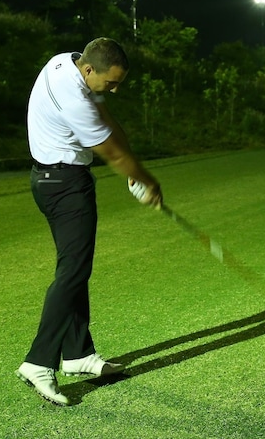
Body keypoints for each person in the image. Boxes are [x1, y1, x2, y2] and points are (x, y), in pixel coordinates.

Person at [16, 37, 162, 406]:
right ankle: (37, 362)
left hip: (48, 180)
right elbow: (110, 151)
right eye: (110, 82)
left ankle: (78, 354)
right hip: (65, 186)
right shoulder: (77, 99)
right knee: (72, 273)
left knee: (75, 268)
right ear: (89, 70)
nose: (113, 89)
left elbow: (108, 121)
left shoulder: (63, 61)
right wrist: (144, 178)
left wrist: (131, 158)